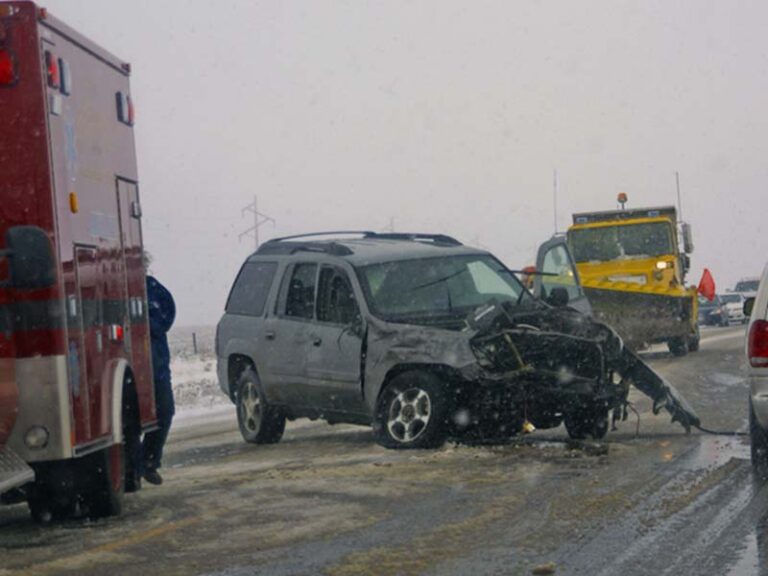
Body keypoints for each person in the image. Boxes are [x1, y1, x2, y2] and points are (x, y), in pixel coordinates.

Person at [142, 274, 176, 485]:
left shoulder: (154, 290)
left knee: (165, 411)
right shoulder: (114, 287)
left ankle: (148, 461)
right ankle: (133, 466)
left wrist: (149, 324)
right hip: (133, 371)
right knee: (129, 421)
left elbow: (167, 317)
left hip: (157, 369)